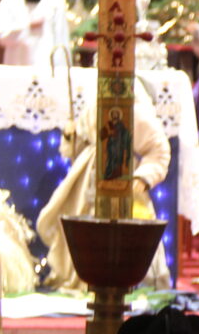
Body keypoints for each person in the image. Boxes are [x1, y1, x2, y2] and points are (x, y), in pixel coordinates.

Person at [37, 88, 172, 292]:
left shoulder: (134, 110)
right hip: (88, 176)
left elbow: (158, 149)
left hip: (122, 175)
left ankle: (125, 282)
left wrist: (143, 177)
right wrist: (71, 136)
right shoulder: (94, 104)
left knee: (123, 231)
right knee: (81, 225)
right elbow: (78, 148)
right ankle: (81, 280)